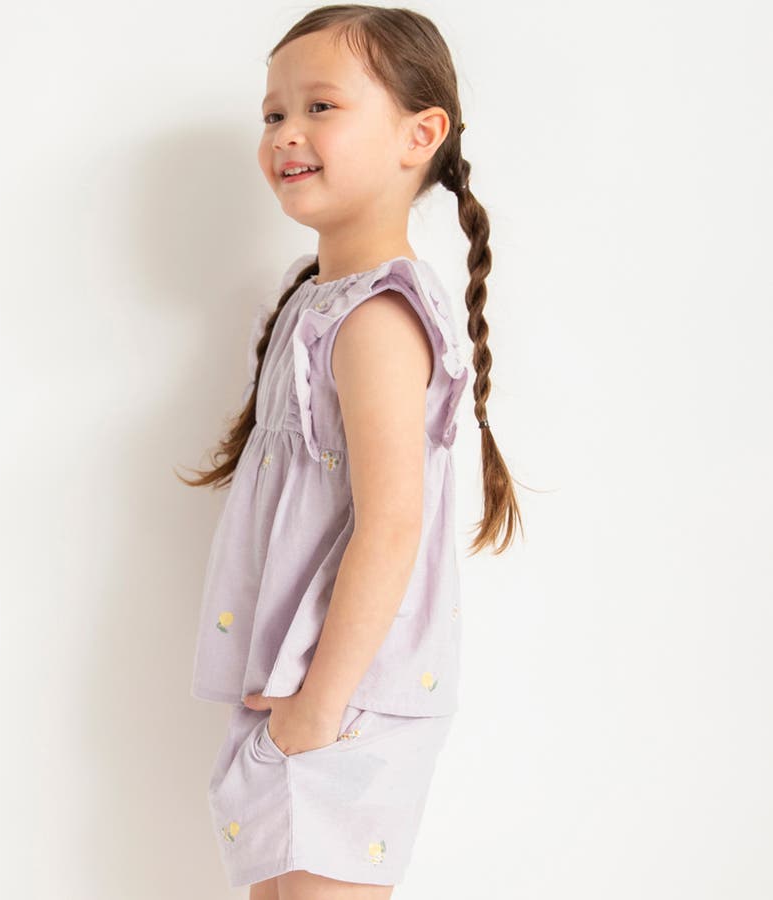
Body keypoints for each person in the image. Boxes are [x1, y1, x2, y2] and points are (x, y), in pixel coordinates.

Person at [176, 5, 522, 896]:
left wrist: (321, 704)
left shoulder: (376, 320)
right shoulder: (316, 302)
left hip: (343, 693)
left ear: (420, 134)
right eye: (273, 113)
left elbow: (391, 525)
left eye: (321, 106)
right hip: (300, 685)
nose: (286, 133)